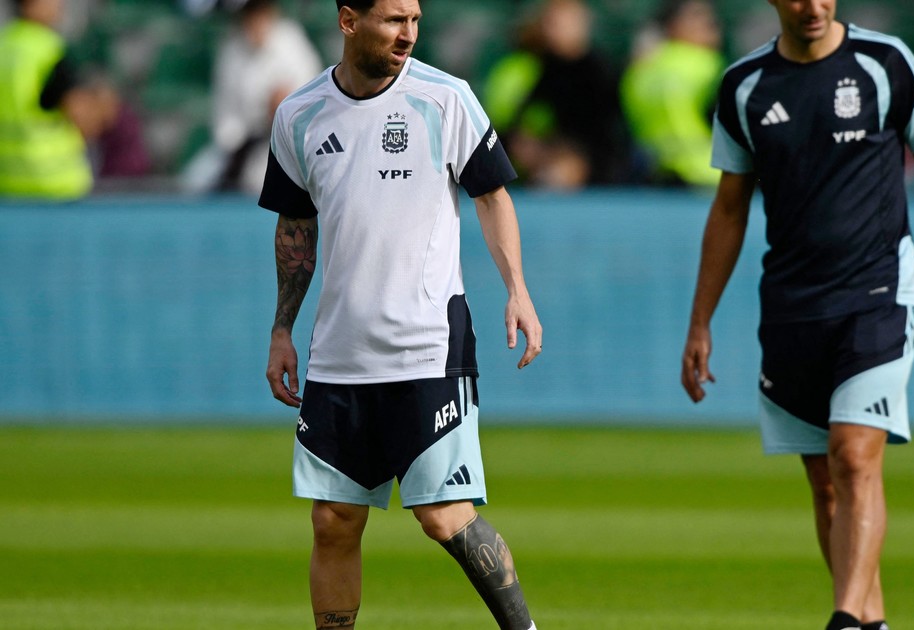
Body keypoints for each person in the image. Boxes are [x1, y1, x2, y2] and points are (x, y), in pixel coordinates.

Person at [680, 1, 914, 629]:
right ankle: (870, 622)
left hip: (879, 291)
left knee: (854, 456)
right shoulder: (744, 86)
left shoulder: (886, 63)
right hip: (792, 306)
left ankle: (843, 619)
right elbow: (730, 207)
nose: (813, 6)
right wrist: (700, 320)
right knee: (824, 482)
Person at [257, 1, 541, 628]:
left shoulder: (446, 98)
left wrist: (516, 289)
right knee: (333, 520)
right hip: (339, 355)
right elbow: (295, 226)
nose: (408, 33)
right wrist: (282, 327)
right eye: (393, 20)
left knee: (443, 516)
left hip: (428, 346)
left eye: (414, 19)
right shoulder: (298, 115)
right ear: (348, 21)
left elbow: (492, 195)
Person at [481, 0, 629, 189]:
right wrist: (524, 141)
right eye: (550, 24)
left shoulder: (599, 71)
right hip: (554, 148)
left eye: (562, 24)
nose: (554, 31)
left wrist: (567, 154)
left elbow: (605, 133)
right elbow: (524, 116)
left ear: (582, 25)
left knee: (562, 170)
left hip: (593, 158)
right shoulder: (544, 68)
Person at [0, 0, 118, 199]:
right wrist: (102, 110)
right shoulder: (49, 50)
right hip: (53, 185)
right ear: (31, 4)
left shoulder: (4, 45)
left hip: (6, 187)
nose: (59, 4)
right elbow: (81, 117)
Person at [211, 0, 323, 194]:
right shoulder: (232, 50)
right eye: (249, 15)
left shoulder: (291, 42)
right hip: (243, 147)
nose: (255, 21)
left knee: (260, 180)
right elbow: (225, 120)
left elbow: (315, 101)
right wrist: (238, 149)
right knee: (198, 178)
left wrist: (284, 108)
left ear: (270, 13)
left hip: (290, 144)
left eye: (259, 13)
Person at [621, 0, 724, 187]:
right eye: (697, 16)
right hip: (710, 176)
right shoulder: (707, 65)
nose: (709, 23)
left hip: (653, 175)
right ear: (672, 25)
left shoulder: (639, 69)